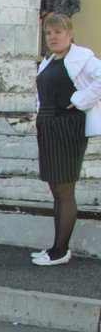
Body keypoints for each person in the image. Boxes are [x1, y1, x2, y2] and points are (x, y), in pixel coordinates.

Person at [32, 14, 101, 266]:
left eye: (58, 32)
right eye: (48, 33)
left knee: (64, 189)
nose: (52, 37)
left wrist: (81, 100)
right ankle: (56, 247)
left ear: (70, 34)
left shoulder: (82, 57)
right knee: (55, 188)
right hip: (49, 126)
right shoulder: (49, 61)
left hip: (67, 126)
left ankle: (60, 252)